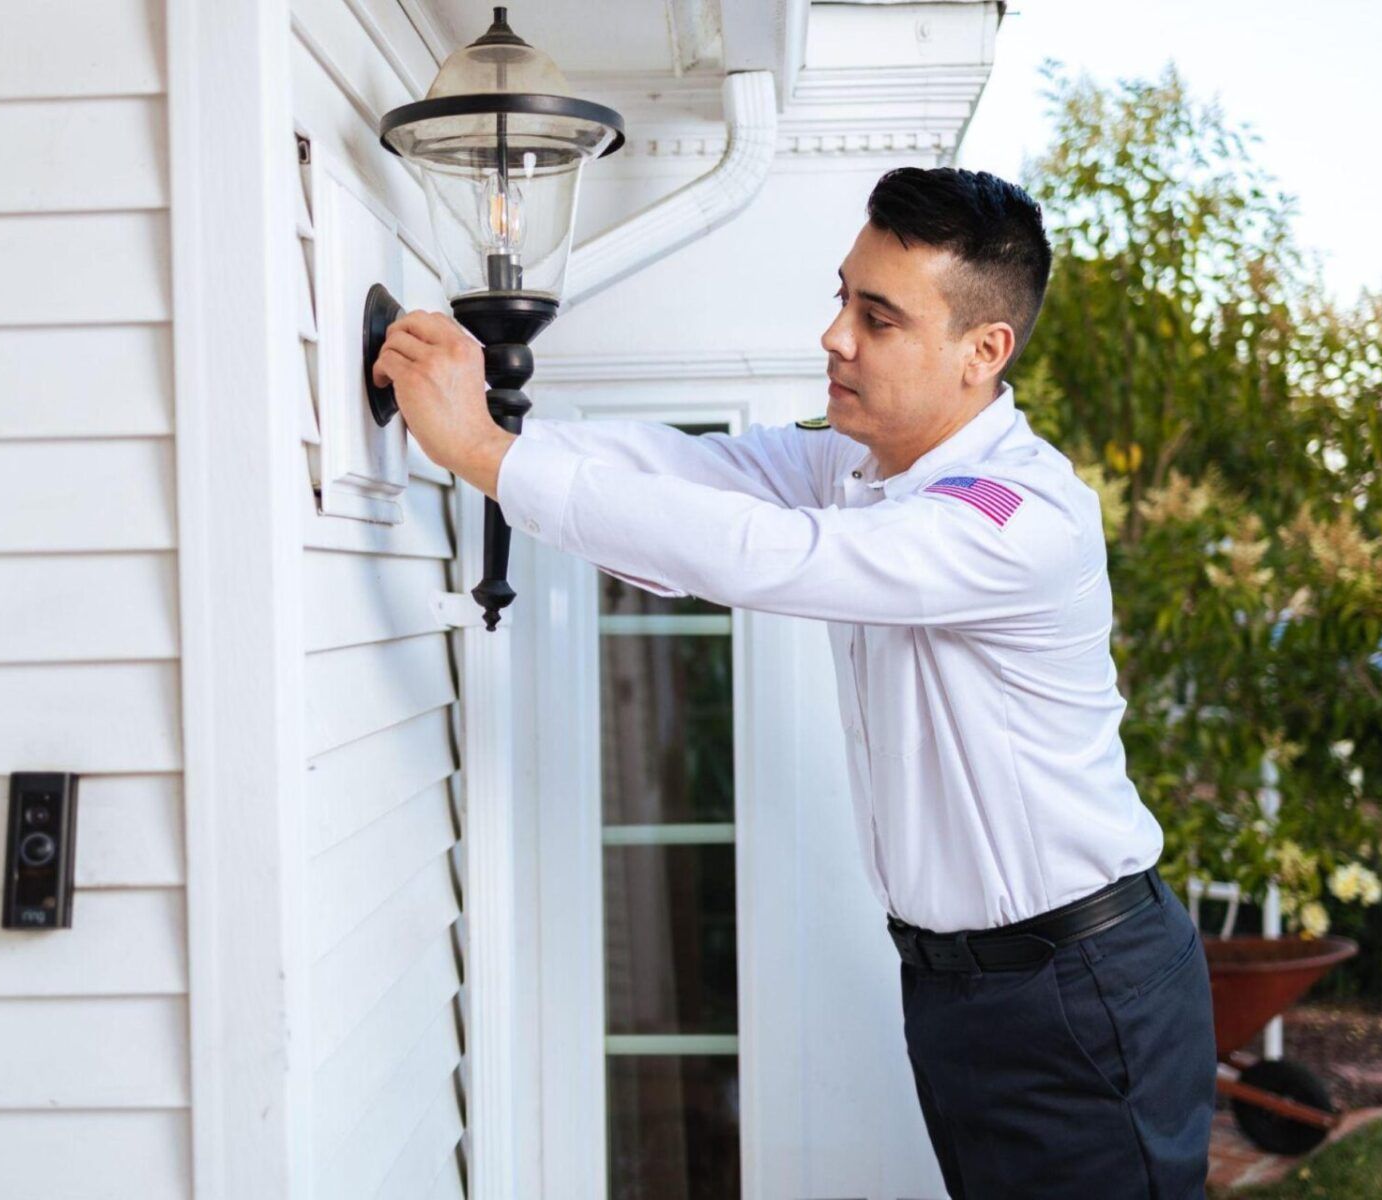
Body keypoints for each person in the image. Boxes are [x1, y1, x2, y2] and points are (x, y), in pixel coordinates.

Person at [371, 166, 1217, 1198]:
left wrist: (483, 452)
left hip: (1077, 990)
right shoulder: (860, 465)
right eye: (842, 298)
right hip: (964, 990)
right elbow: (690, 472)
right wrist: (496, 430)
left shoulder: (1015, 517)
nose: (835, 336)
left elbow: (767, 556)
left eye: (879, 317)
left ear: (981, 351)